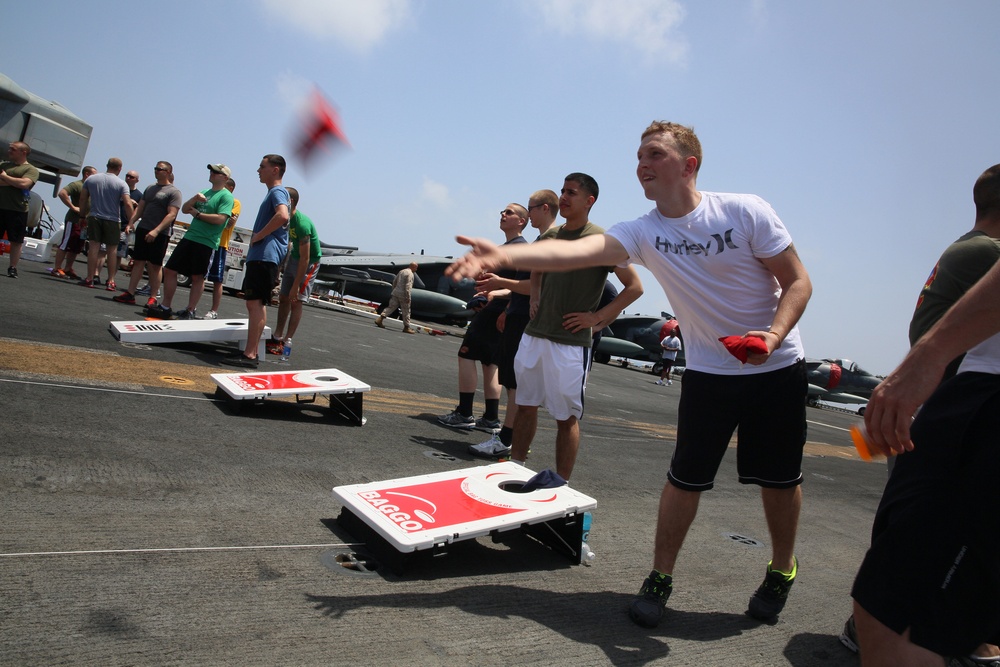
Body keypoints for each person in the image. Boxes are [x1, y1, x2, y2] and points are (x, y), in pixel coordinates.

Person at [446, 124, 812, 627]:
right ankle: (659, 578)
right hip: (709, 373)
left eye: (655, 154)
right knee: (684, 479)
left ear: (689, 165)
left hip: (775, 366)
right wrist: (506, 253)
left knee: (777, 479)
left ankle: (781, 567)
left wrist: (771, 336)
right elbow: (573, 252)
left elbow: (797, 281)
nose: (641, 163)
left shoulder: (744, 211)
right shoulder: (644, 231)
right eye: (639, 155)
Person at [842, 164, 1000, 666]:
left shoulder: (967, 246)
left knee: (907, 533)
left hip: (945, 404)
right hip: (956, 407)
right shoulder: (989, 253)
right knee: (914, 557)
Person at [458, 173, 643, 481]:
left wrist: (597, 319)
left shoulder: (603, 241)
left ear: (589, 201)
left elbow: (634, 287)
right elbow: (538, 270)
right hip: (534, 335)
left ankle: (561, 482)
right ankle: (516, 467)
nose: (564, 197)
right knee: (526, 404)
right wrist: (536, 295)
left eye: (571, 192)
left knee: (565, 417)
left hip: (570, 343)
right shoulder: (549, 237)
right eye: (562, 191)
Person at [470, 190, 559, 457]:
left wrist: (500, 284)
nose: (528, 214)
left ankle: (507, 441)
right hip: (517, 316)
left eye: (530, 209)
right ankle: (510, 440)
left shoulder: (547, 244)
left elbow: (536, 287)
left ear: (543, 209)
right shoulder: (539, 243)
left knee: (517, 386)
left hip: (525, 322)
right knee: (513, 383)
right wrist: (507, 304)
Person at [438, 204, 527, 432]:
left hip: (495, 313)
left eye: (509, 213)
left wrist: (505, 308)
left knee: (465, 356)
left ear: (521, 221)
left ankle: (465, 412)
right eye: (502, 212)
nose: (503, 215)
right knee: (491, 364)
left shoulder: (519, 250)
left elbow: (523, 286)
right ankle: (490, 418)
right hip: (497, 312)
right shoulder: (507, 248)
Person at [221, 154, 290, 369]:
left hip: (265, 256)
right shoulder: (274, 192)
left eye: (262, 166)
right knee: (255, 304)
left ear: (275, 170)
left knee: (255, 304)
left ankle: (250, 354)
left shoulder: (277, 191)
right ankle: (250, 352)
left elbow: (283, 216)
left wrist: (258, 236)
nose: (258, 170)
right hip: (263, 257)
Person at [147, 164, 234, 320]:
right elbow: (186, 209)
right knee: (170, 270)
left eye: (216, 172)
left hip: (206, 242)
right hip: (190, 237)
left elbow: (221, 219)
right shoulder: (204, 192)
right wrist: (194, 199)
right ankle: (166, 306)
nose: (212, 174)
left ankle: (190, 310)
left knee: (197, 277)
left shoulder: (226, 196)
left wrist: (199, 214)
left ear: (225, 178)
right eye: (211, 171)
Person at [113, 161, 182, 306]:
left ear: (168, 172)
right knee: (138, 261)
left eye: (160, 169)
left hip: (160, 233)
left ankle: (153, 297)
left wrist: (156, 231)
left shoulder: (174, 192)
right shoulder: (150, 188)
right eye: (155, 168)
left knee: (155, 265)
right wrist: (131, 222)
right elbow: (140, 208)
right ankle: (130, 293)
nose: (156, 171)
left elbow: (171, 215)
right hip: (143, 228)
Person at [267, 186, 322, 352]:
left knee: (295, 300)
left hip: (309, 263)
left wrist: (297, 284)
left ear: (289, 202)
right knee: (284, 297)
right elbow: (288, 244)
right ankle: (277, 336)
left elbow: (306, 258)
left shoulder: (302, 224)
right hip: (294, 258)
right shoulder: (286, 220)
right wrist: (279, 268)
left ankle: (287, 340)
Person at [77, 157, 135, 290]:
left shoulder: (91, 179)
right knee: (112, 250)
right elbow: (127, 203)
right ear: (119, 169)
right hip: (113, 219)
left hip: (95, 216)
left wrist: (82, 215)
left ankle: (90, 278)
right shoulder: (121, 184)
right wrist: (131, 221)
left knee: (94, 248)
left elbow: (83, 198)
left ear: (107, 165)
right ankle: (111, 281)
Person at [0, 141, 40, 278]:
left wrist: (5, 178)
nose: (9, 151)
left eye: (13, 149)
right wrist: (14, 182)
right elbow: (18, 183)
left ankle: (12, 267)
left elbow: (25, 184)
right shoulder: (3, 165)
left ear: (23, 152)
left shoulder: (31, 170)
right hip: (1, 207)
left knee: (16, 241)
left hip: (17, 210)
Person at [50, 165, 97, 279]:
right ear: (87, 174)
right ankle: (57, 268)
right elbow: (62, 193)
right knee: (66, 244)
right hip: (73, 220)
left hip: (85, 223)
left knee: (76, 247)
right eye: (94, 175)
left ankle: (68, 268)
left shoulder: (92, 188)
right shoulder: (77, 185)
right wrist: (73, 207)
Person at [204, 178, 241, 319]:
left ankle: (214, 310)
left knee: (217, 280)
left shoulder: (235, 202)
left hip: (220, 244)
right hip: (207, 241)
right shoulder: (213, 197)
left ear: (230, 188)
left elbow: (228, 223)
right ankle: (191, 307)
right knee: (198, 276)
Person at [374, 261, 418, 333]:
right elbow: (408, 286)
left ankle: (380, 319)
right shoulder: (410, 274)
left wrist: (394, 290)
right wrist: (408, 297)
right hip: (403, 295)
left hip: (396, 293)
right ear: (413, 267)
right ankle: (406, 327)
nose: (416, 270)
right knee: (406, 311)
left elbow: (395, 281)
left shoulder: (402, 271)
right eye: (416, 268)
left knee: (391, 307)